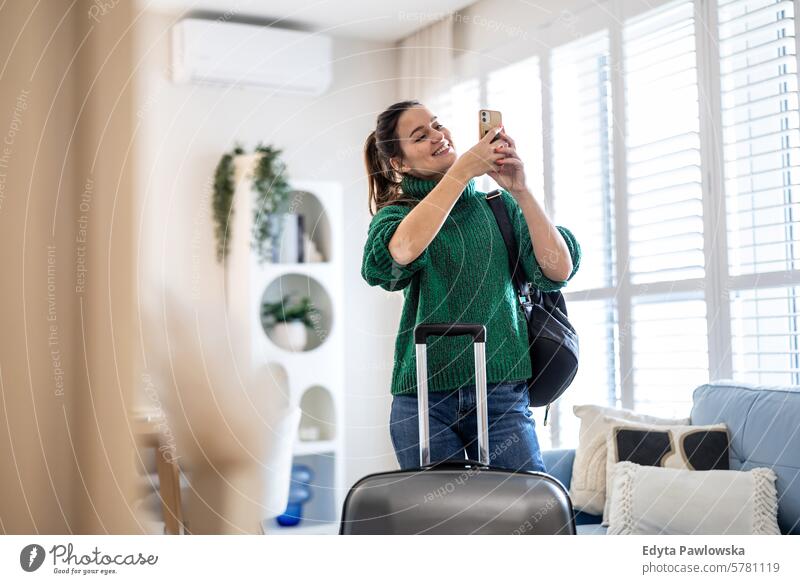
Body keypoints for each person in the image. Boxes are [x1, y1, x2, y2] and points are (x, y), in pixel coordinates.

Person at [360, 99, 581, 472]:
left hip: (502, 393)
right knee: (442, 526)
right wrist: (461, 173)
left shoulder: (498, 207)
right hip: (423, 401)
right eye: (420, 136)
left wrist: (521, 191)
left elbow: (558, 269)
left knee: (533, 519)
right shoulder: (398, 216)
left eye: (437, 125)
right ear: (399, 163)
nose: (437, 136)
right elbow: (397, 254)